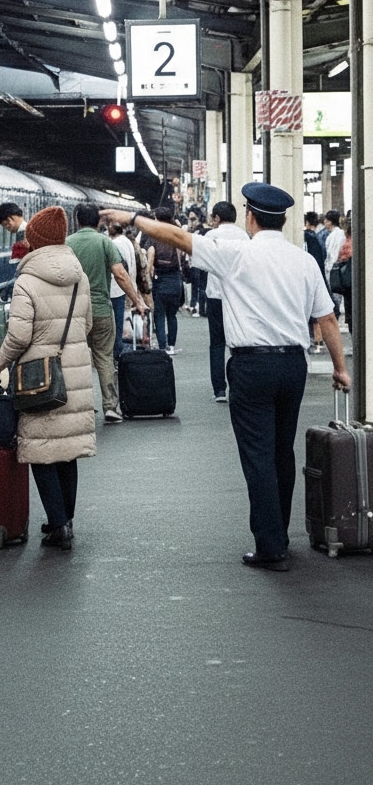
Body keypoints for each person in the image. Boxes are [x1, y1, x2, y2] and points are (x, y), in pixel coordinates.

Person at [101, 183, 350, 571]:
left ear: (250, 217)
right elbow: (328, 318)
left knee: (258, 456)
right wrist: (340, 368)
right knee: (283, 453)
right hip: (292, 366)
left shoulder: (235, 254)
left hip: (251, 367)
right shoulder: (303, 260)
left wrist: (132, 218)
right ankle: (279, 533)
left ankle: (270, 547)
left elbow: (177, 236)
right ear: (282, 221)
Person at [0, 206, 94, 550]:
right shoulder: (80, 277)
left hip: (38, 377)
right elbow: (86, 326)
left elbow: (17, 337)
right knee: (67, 450)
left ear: (37, 241)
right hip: (73, 371)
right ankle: (65, 520)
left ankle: (59, 525)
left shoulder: (27, 280)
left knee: (41, 450)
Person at [66, 203, 146, 424]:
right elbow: (120, 274)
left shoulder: (67, 244)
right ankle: (111, 407)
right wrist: (138, 301)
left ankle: (83, 406)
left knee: (76, 359)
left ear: (78, 221)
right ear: (98, 222)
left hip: (75, 313)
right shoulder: (104, 242)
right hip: (101, 309)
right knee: (104, 358)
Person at [203, 201, 249, 402]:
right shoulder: (244, 236)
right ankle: (239, 386)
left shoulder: (210, 236)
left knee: (217, 344)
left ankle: (219, 390)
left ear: (217, 218)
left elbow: (203, 265)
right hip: (239, 297)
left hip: (215, 296)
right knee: (238, 342)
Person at [144, 207, 185, 354]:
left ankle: (163, 347)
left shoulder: (153, 238)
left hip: (160, 281)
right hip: (175, 281)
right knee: (172, 315)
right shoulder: (176, 236)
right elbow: (180, 260)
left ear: (157, 219)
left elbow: (149, 265)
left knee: (159, 316)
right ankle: (172, 347)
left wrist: (147, 283)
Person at [107, 220, 137, 368]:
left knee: (116, 326)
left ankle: (116, 356)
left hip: (116, 289)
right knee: (118, 325)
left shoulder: (116, 244)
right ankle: (117, 354)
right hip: (123, 287)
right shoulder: (127, 242)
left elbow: (120, 269)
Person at [303, 210, 329, 353]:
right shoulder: (318, 237)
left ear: (307, 223)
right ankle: (318, 342)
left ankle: (316, 341)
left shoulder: (306, 237)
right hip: (319, 274)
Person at [323, 209, 345, 319]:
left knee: (335, 295)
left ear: (330, 221)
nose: (325, 223)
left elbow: (332, 254)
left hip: (333, 269)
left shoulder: (334, 235)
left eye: (326, 220)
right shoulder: (338, 234)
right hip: (334, 268)